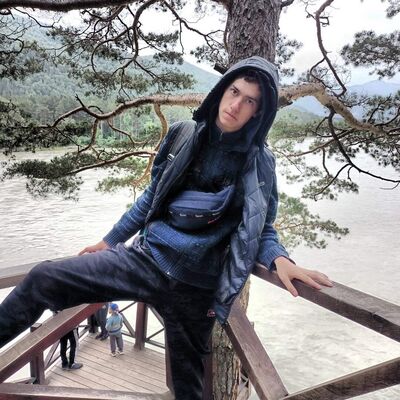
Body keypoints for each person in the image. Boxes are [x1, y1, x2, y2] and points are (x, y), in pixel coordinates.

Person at [0, 56, 332, 399]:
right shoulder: (182, 134)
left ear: (258, 113)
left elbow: (260, 227)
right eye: (234, 91)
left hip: (195, 290)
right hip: (145, 260)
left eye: (249, 101)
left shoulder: (259, 163)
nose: (236, 105)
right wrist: (111, 239)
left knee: (189, 392)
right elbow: (151, 197)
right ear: (221, 90)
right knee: (43, 278)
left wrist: (279, 259)